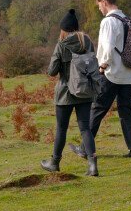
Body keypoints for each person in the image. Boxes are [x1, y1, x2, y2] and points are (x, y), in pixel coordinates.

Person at [70, 0, 131, 160]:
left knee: (97, 108)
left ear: (104, 2)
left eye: (99, 5)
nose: (99, 9)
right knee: (126, 110)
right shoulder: (125, 19)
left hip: (111, 73)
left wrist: (102, 66)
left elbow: (108, 46)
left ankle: (84, 148)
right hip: (127, 73)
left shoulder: (108, 22)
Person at [40, 9, 98, 177]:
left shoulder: (61, 44)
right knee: (85, 128)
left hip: (65, 92)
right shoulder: (87, 42)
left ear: (64, 29)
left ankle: (54, 163)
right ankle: (93, 166)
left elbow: (52, 71)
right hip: (85, 90)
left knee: (61, 129)